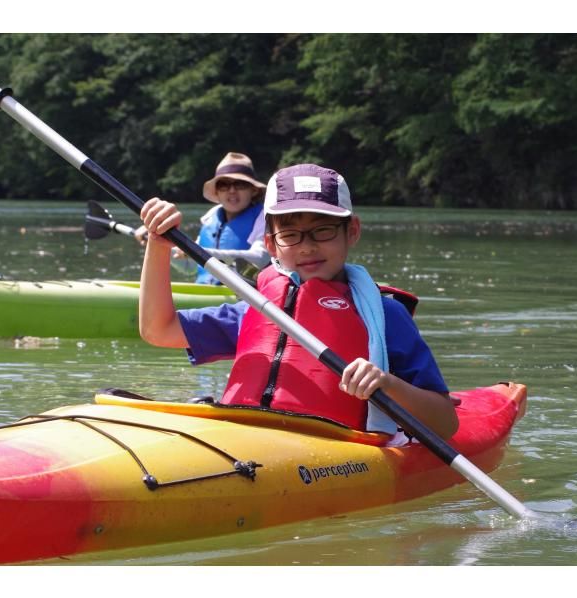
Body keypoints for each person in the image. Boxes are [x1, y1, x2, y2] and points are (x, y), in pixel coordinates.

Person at [138, 163, 458, 442]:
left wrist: (387, 384)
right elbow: (158, 329)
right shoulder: (257, 308)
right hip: (241, 441)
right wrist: (159, 245)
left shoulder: (386, 315)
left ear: (353, 231)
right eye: (290, 235)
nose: (306, 247)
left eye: (322, 230)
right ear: (270, 245)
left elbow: (445, 422)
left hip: (336, 456)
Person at [134, 152, 270, 284]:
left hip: (243, 297)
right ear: (217, 191)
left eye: (240, 184)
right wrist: (157, 243)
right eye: (224, 185)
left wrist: (200, 251)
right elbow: (190, 267)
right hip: (207, 292)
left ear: (253, 190)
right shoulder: (211, 217)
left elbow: (260, 258)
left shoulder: (263, 218)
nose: (232, 190)